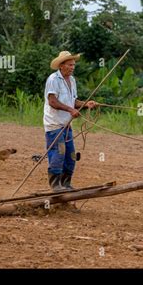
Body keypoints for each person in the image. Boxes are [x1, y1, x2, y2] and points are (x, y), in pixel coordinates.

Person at [44, 51, 97, 192]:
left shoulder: (72, 80)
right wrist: (70, 110)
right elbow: (52, 101)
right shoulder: (53, 79)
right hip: (54, 124)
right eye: (69, 65)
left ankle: (66, 184)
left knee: (71, 155)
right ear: (61, 65)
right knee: (59, 152)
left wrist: (86, 104)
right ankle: (56, 185)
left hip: (67, 124)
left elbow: (73, 101)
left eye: (73, 65)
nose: (72, 67)